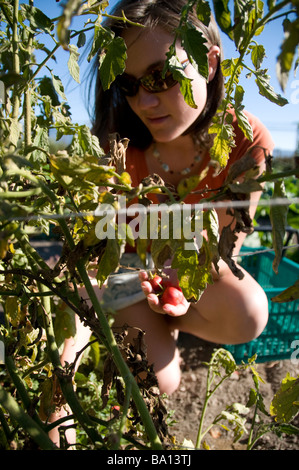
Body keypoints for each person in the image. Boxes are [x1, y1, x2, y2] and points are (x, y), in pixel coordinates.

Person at [49, 0, 274, 445]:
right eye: (130, 84)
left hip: (197, 277)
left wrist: (179, 286)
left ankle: (178, 322)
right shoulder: (118, 151)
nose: (144, 101)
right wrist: (63, 358)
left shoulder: (243, 140)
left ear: (209, 63)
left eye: (161, 77)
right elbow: (92, 257)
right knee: (159, 381)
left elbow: (227, 251)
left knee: (248, 309)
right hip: (127, 281)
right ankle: (151, 329)